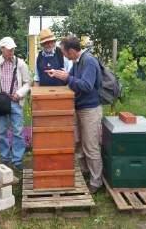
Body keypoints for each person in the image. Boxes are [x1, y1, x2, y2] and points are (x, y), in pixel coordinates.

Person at [46, 35, 103, 194]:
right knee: (79, 143)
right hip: (79, 107)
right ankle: (85, 173)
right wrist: (59, 74)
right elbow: (70, 79)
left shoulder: (89, 61)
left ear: (71, 51)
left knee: (91, 146)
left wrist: (67, 77)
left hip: (90, 110)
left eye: (64, 53)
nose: (64, 56)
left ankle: (96, 182)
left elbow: (86, 85)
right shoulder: (77, 62)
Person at [0, 37, 31, 170]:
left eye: (13, 49)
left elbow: (27, 82)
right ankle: (5, 159)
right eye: (9, 49)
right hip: (0, 102)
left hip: (15, 101)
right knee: (1, 131)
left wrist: (20, 94)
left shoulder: (21, 63)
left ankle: (17, 160)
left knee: (18, 131)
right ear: (2, 49)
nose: (11, 51)